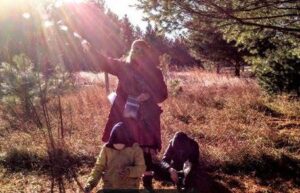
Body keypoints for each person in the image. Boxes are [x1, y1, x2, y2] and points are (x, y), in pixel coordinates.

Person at [82, 39, 168, 190]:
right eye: (135, 48)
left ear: (147, 53)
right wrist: (90, 50)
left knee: (145, 148)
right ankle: (117, 179)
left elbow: (162, 94)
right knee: (121, 144)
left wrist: (148, 95)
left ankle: (147, 184)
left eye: (141, 49)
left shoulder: (155, 72)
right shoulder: (123, 66)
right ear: (131, 50)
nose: (138, 52)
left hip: (146, 116)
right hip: (125, 113)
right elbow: (105, 62)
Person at [83, 122, 146, 193]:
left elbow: (141, 168)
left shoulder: (135, 149)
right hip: (109, 187)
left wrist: (129, 172)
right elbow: (99, 168)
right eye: (115, 145)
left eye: (121, 145)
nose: (118, 148)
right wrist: (90, 184)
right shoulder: (106, 148)